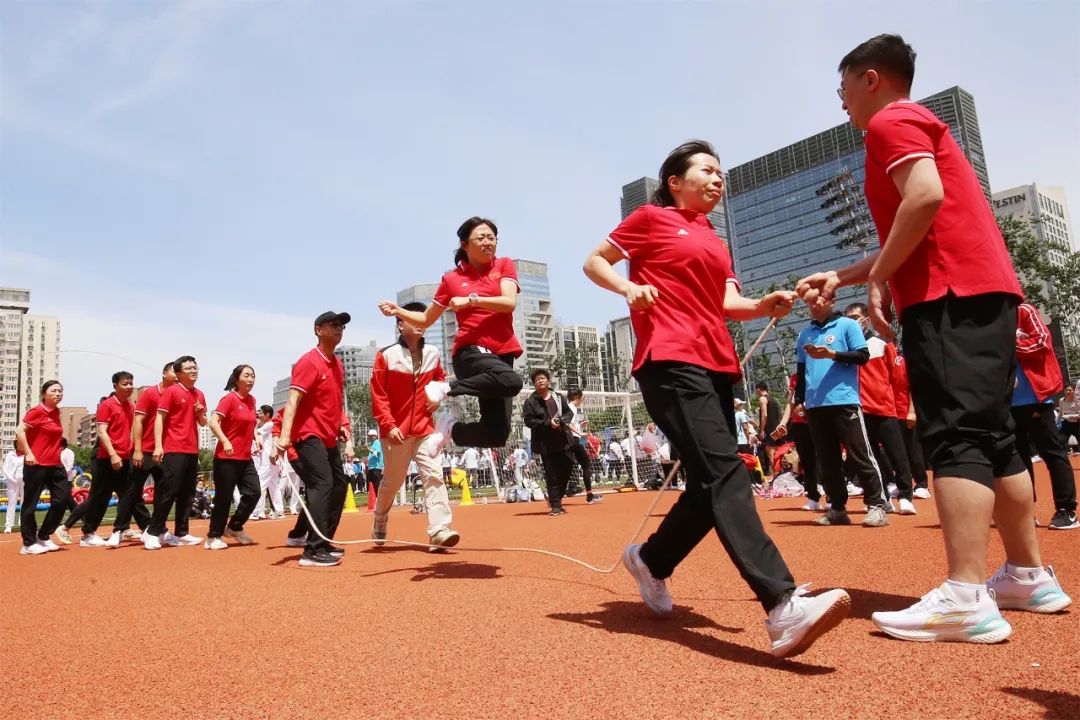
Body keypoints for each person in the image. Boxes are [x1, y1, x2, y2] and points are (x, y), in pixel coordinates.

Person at [798, 34, 1070, 642]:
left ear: (871, 78)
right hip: (980, 291)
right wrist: (849, 275)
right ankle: (1026, 574)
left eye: (844, 87)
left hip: (949, 296)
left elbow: (923, 196)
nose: (841, 101)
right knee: (994, 436)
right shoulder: (913, 122)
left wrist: (882, 276)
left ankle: (965, 597)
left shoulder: (891, 121)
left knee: (954, 434)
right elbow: (918, 218)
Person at [584, 139, 849, 658]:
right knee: (728, 472)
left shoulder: (713, 238)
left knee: (711, 484)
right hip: (669, 360)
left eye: (721, 173)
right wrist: (627, 289)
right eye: (706, 170)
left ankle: (652, 560)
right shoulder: (651, 219)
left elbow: (728, 301)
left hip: (716, 365)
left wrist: (763, 304)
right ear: (675, 182)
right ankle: (783, 605)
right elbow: (595, 261)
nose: (717, 179)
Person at [378, 216, 525, 450]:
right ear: (464, 244)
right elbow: (427, 319)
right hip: (471, 351)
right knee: (512, 381)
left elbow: (509, 302)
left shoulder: (503, 265)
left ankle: (450, 427)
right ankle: (445, 388)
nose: (488, 242)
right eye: (481, 238)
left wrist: (472, 300)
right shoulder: (452, 279)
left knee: (496, 434)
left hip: (501, 355)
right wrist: (399, 311)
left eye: (492, 238)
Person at [369, 300, 460, 550]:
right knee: (392, 482)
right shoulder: (386, 356)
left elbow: (440, 380)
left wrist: (437, 397)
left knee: (434, 476)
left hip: (425, 429)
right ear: (401, 325)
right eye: (413, 318)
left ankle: (439, 530)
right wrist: (389, 425)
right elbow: (378, 395)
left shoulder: (433, 353)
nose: (421, 322)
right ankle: (380, 517)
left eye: (423, 318)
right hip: (395, 432)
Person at [795, 296, 889, 527]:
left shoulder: (848, 325)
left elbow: (862, 356)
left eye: (819, 299)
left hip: (844, 401)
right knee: (827, 460)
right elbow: (801, 369)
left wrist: (832, 354)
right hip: (815, 405)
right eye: (810, 301)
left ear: (831, 300)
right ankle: (837, 508)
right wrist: (799, 400)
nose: (815, 304)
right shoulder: (804, 334)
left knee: (860, 454)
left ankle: (877, 505)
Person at [272, 311, 355, 567]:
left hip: (329, 436)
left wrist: (342, 427)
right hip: (307, 434)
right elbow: (293, 401)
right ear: (319, 330)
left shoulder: (337, 364)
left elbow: (335, 402)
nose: (339, 329)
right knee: (322, 483)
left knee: (339, 485)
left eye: (342, 326)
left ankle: (324, 540)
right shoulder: (309, 362)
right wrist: (283, 438)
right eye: (334, 325)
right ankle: (312, 550)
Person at [844, 302, 917, 515]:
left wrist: (905, 409)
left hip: (885, 409)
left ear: (866, 320)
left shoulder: (880, 344)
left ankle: (906, 496)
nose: (853, 323)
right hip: (859, 412)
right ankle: (882, 497)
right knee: (871, 459)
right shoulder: (845, 350)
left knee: (897, 455)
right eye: (848, 319)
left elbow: (898, 379)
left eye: (856, 317)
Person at [1010, 303, 1077, 530]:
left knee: (1052, 452)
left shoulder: (1023, 311)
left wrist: (1007, 344)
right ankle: (1024, 512)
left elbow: (1041, 341)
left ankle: (1066, 510)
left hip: (1035, 398)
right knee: (1016, 460)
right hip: (1005, 402)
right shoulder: (986, 320)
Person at [146, 356, 208, 549]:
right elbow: (159, 418)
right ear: (179, 374)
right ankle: (152, 532)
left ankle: (182, 532)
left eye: (195, 367)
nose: (193, 371)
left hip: (192, 449)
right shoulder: (172, 392)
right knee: (168, 492)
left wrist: (200, 412)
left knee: (188, 494)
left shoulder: (199, 394)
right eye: (188, 368)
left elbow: (203, 422)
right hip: (173, 448)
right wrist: (158, 446)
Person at [75, 372, 140, 547]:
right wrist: (112, 454)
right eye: (125, 384)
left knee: (129, 495)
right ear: (115, 386)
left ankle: (122, 529)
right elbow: (102, 432)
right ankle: (88, 534)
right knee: (100, 497)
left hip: (125, 458)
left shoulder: (131, 405)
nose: (129, 387)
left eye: (131, 383)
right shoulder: (107, 405)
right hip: (107, 459)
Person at [205, 365, 262, 549]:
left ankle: (235, 526)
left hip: (245, 457)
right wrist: (225, 441)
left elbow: (250, 423)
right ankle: (213, 536)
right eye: (246, 376)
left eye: (253, 376)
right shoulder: (229, 399)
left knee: (254, 492)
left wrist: (256, 437)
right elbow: (213, 421)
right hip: (226, 458)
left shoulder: (252, 400)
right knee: (224, 497)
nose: (251, 379)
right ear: (237, 379)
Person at [16, 380, 67, 555]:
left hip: (56, 465)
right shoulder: (37, 411)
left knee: (62, 500)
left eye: (60, 391)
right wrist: (28, 453)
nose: (58, 394)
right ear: (44, 394)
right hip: (36, 464)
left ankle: (43, 536)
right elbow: (19, 431)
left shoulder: (57, 412)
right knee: (30, 504)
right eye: (54, 391)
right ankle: (28, 544)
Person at [130, 362, 177, 547]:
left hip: (165, 451)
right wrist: (138, 449)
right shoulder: (150, 393)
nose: (177, 375)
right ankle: (120, 529)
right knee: (132, 492)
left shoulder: (178, 394)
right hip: (145, 450)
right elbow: (138, 421)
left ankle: (158, 529)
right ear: (164, 373)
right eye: (174, 371)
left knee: (164, 492)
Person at [523, 369, 576, 515]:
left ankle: (556, 498)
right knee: (551, 474)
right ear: (534, 384)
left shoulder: (558, 397)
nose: (540, 381)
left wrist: (562, 420)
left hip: (563, 440)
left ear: (548, 381)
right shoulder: (530, 401)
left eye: (542, 378)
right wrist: (548, 423)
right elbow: (528, 421)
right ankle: (556, 505)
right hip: (545, 444)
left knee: (568, 467)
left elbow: (569, 412)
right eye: (536, 380)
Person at [773, 372, 820, 510]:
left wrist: (806, 407)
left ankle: (832, 497)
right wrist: (783, 422)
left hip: (819, 420)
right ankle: (813, 497)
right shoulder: (796, 377)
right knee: (806, 461)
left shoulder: (821, 371)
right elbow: (790, 403)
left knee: (825, 459)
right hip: (800, 425)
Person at [892, 352, 931, 499]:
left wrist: (912, 411)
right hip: (891, 412)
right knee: (898, 452)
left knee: (913, 449)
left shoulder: (905, 361)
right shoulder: (884, 360)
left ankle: (922, 484)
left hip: (906, 411)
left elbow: (913, 388)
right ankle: (902, 485)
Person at [566, 388, 603, 503]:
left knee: (567, 467)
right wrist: (580, 433)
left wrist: (580, 426)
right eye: (582, 397)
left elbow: (571, 424)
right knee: (586, 464)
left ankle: (555, 494)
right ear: (577, 396)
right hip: (574, 440)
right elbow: (568, 424)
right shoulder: (572, 408)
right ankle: (589, 495)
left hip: (571, 440)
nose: (582, 399)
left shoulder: (569, 407)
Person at [252, 405, 285, 520]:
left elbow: (255, 432)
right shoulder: (264, 425)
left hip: (269, 459)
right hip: (268, 459)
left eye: (261, 413)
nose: (259, 414)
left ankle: (257, 512)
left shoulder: (269, 424)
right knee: (273, 486)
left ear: (267, 415)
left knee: (260, 483)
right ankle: (279, 510)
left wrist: (253, 421)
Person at [755, 383, 782, 478]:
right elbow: (780, 414)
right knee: (778, 452)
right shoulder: (774, 400)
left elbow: (764, 415)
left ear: (758, 389)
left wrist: (761, 430)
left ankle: (776, 475)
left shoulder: (762, 398)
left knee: (770, 453)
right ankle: (781, 473)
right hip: (777, 429)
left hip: (769, 429)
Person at [3, 441, 24, 533]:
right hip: (12, 481)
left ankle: (23, 523)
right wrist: (11, 479)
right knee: (11, 502)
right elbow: (5, 468)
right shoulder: (10, 455)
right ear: (16, 445)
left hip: (24, 480)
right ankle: (9, 525)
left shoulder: (27, 454)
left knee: (24, 502)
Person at [1059, 385, 1080, 456]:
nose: (1068, 392)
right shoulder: (1061, 400)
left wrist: (1070, 416)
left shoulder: (1078, 400)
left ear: (1074, 391)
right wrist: (1056, 421)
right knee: (1061, 439)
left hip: (1077, 423)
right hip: (1067, 423)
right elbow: (1061, 412)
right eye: (1066, 390)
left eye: (1070, 390)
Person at [365, 429, 383, 495]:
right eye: (369, 436)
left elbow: (377, 453)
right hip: (372, 468)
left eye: (370, 436)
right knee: (373, 486)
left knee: (377, 485)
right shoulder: (373, 444)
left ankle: (378, 499)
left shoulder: (377, 443)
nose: (369, 437)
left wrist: (369, 449)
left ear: (375, 436)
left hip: (376, 467)